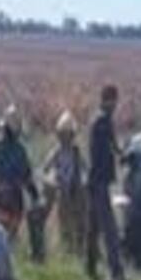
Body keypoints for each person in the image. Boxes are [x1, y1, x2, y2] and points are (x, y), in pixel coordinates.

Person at [86, 85, 126, 280]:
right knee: (109, 229)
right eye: (113, 101)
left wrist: (122, 153)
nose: (115, 105)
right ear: (107, 100)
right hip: (100, 182)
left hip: (94, 181)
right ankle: (116, 274)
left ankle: (90, 268)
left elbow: (114, 147)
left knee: (93, 228)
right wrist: (122, 155)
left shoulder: (100, 120)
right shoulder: (103, 121)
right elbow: (110, 148)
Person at [0, 105, 39, 245]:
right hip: (12, 199)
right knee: (9, 237)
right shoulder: (19, 150)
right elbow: (27, 176)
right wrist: (35, 195)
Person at [41, 110, 86, 257]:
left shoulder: (76, 152)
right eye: (63, 134)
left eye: (69, 134)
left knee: (79, 222)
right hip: (62, 193)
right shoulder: (56, 152)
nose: (66, 137)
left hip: (76, 192)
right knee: (64, 224)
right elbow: (45, 169)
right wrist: (52, 182)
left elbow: (85, 169)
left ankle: (78, 251)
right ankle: (67, 251)